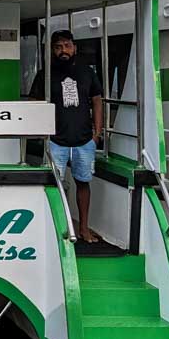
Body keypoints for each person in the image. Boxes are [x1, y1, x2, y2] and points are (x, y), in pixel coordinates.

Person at [29, 29, 103, 243]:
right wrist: (42, 132)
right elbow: (34, 104)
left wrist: (96, 133)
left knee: (83, 183)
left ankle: (84, 229)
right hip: (55, 140)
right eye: (59, 47)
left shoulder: (87, 72)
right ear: (53, 50)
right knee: (53, 184)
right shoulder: (45, 73)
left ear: (75, 48)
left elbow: (97, 100)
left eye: (67, 46)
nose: (63, 50)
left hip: (84, 140)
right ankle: (56, 229)